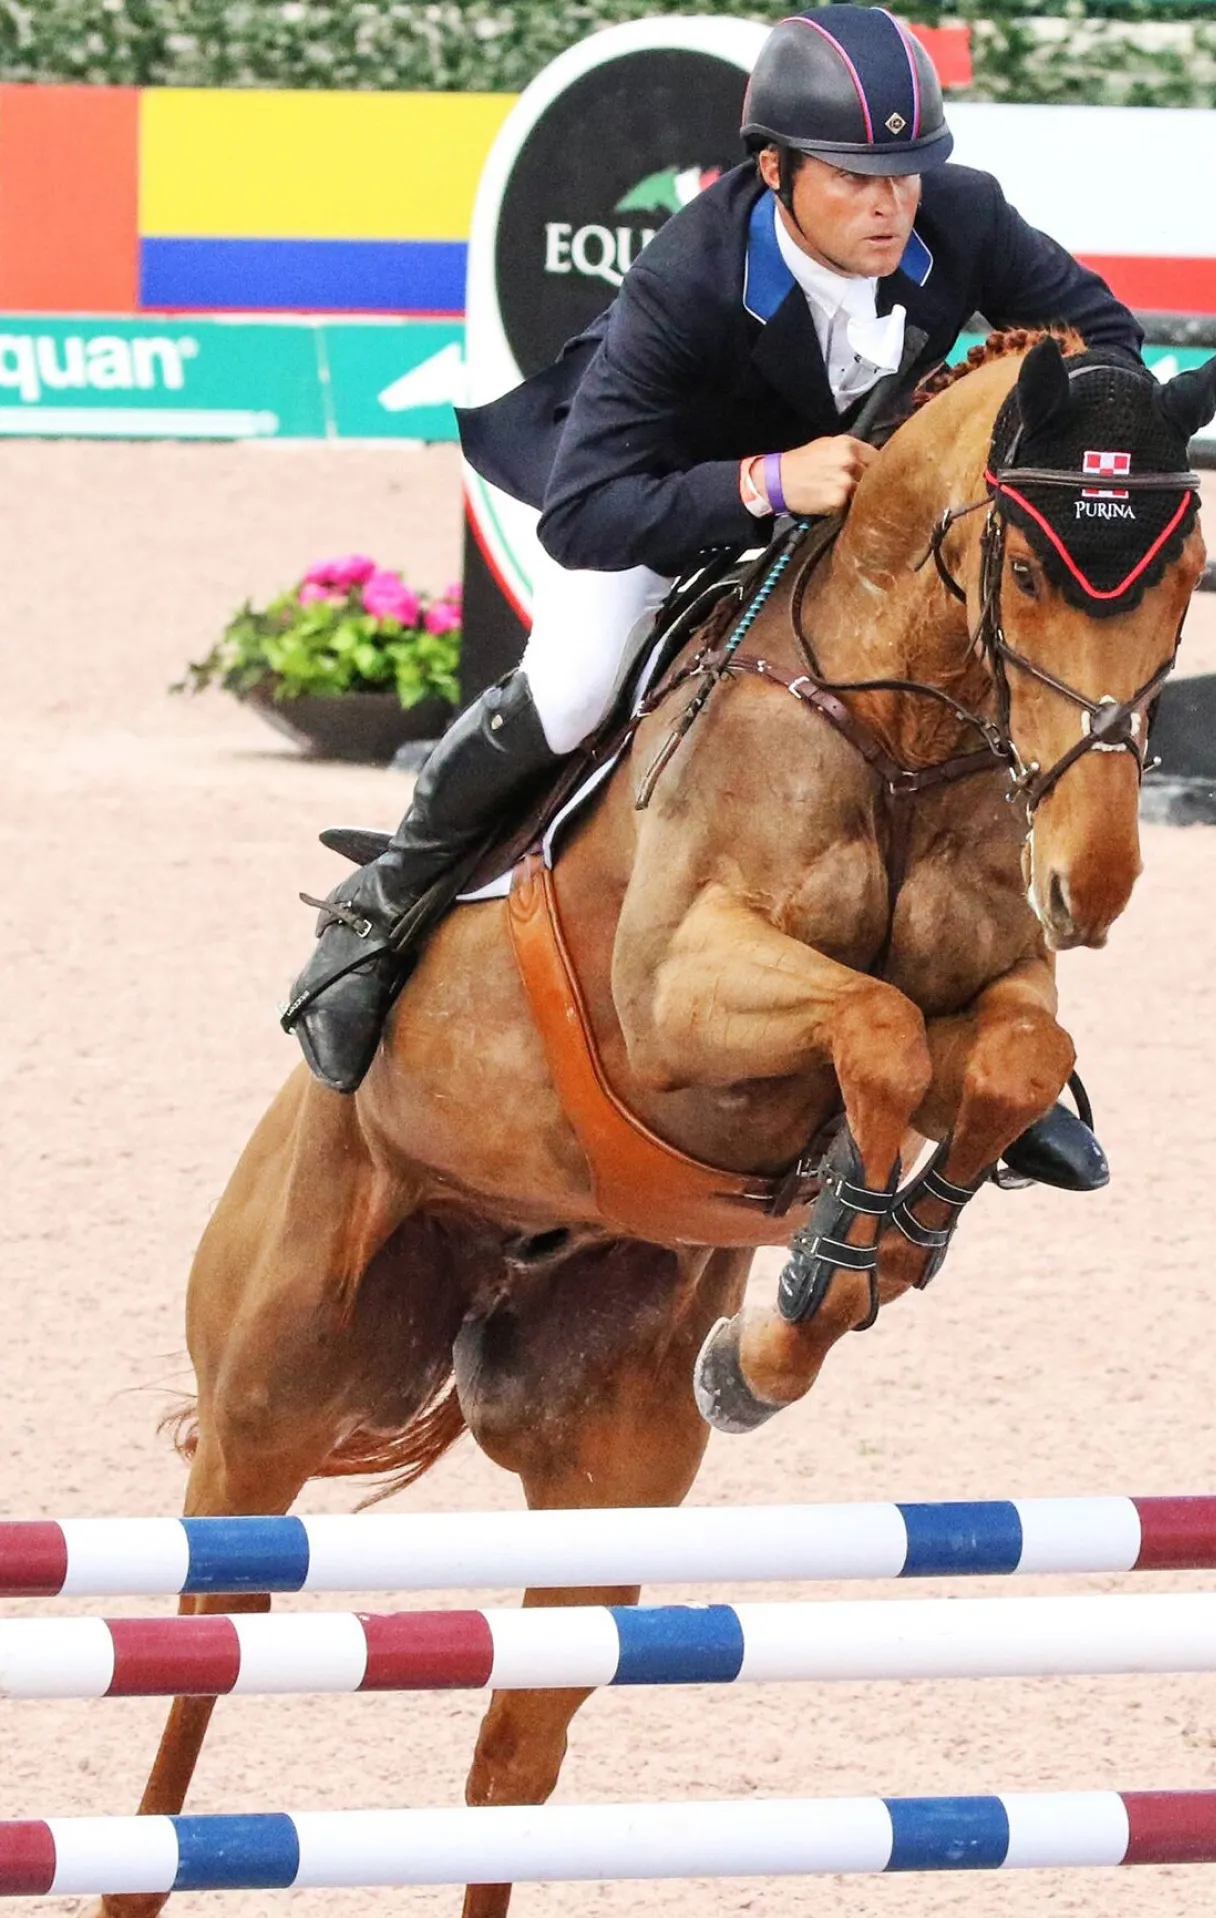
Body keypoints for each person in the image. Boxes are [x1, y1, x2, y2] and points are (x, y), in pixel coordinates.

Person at [283, 4, 1136, 1200]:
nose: (888, 206)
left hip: (854, 520)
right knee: (573, 686)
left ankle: (979, 1041)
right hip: (659, 498)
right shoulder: (687, 277)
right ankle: (376, 917)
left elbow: (1106, 342)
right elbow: (586, 514)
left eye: (904, 175)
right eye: (852, 180)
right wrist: (763, 482)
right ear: (774, 171)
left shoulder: (962, 214)